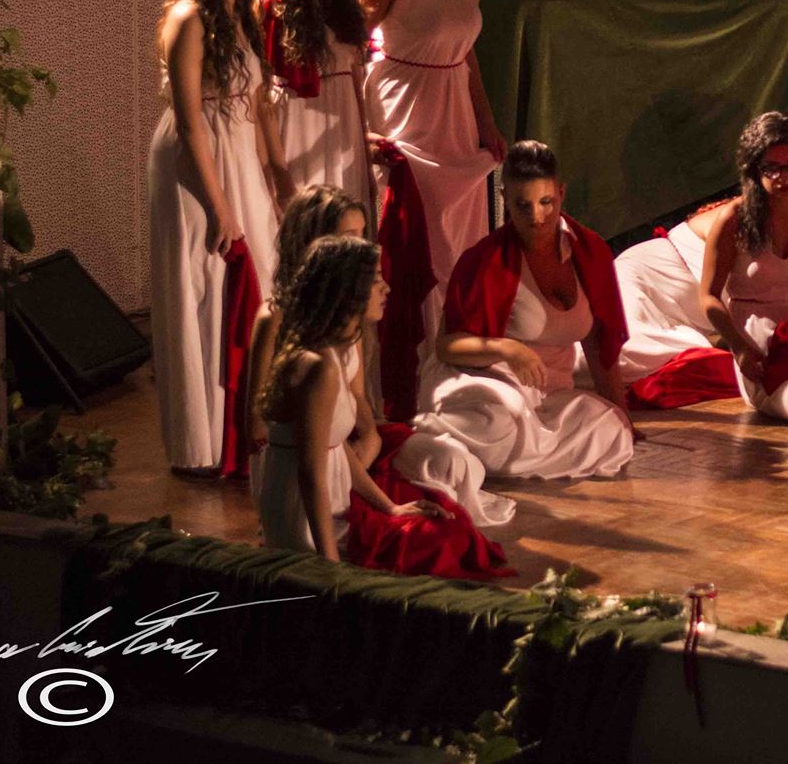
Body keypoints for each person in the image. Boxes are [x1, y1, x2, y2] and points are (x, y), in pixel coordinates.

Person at [252, 236, 511, 578]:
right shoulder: (319, 367)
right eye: (375, 279)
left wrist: (390, 507)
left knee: (451, 522)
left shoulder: (338, 351)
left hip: (336, 503)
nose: (386, 287)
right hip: (305, 519)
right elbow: (311, 473)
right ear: (347, 290)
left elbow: (337, 447)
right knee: (438, 543)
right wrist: (330, 569)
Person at [360, 0, 509, 416]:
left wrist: (486, 122)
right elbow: (349, 48)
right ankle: (407, 378)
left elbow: (465, 53)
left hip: (455, 114)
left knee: (461, 246)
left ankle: (457, 367)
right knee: (416, 243)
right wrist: (358, 127)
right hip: (403, 111)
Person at [399, 143, 635, 496]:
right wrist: (508, 350)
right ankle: (462, 446)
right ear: (505, 199)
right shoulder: (483, 260)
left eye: (546, 202)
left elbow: (600, 344)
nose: (536, 216)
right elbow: (447, 347)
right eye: (523, 205)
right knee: (501, 416)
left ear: (561, 193)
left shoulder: (590, 252)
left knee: (612, 429)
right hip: (482, 380)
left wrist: (622, 414)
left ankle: (497, 458)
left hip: (548, 396)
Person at [147, 0, 283, 474]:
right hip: (198, 165)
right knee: (204, 286)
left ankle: (250, 428)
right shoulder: (190, 17)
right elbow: (189, 122)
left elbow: (253, 107)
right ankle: (203, 445)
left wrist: (272, 183)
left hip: (239, 156)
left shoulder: (240, 12)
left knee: (262, 282)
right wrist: (220, 207)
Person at [613, 112, 788, 424]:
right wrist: (740, 348)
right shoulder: (733, 220)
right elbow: (709, 296)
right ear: (755, 170)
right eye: (772, 168)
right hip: (759, 350)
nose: (784, 177)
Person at [242, 186, 378, 475]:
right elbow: (257, 423)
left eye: (362, 234)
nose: (360, 246)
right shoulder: (274, 317)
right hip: (296, 461)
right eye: (349, 236)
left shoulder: (348, 313)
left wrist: (370, 435)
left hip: (342, 450)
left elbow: (356, 395)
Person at [261, 0, 375, 212]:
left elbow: (354, 74)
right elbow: (261, 94)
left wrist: (363, 145)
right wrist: (280, 175)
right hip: (298, 124)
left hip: (343, 122)